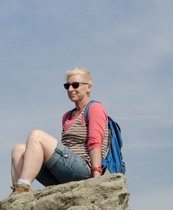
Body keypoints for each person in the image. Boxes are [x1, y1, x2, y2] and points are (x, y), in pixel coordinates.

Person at [10, 67, 111, 195]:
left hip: (85, 170)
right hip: (65, 172)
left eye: (75, 85)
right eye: (67, 86)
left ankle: (24, 186)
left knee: (36, 136)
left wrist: (97, 176)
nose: (70, 89)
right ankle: (18, 193)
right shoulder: (67, 116)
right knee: (18, 150)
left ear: (89, 87)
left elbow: (95, 143)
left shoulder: (95, 108)